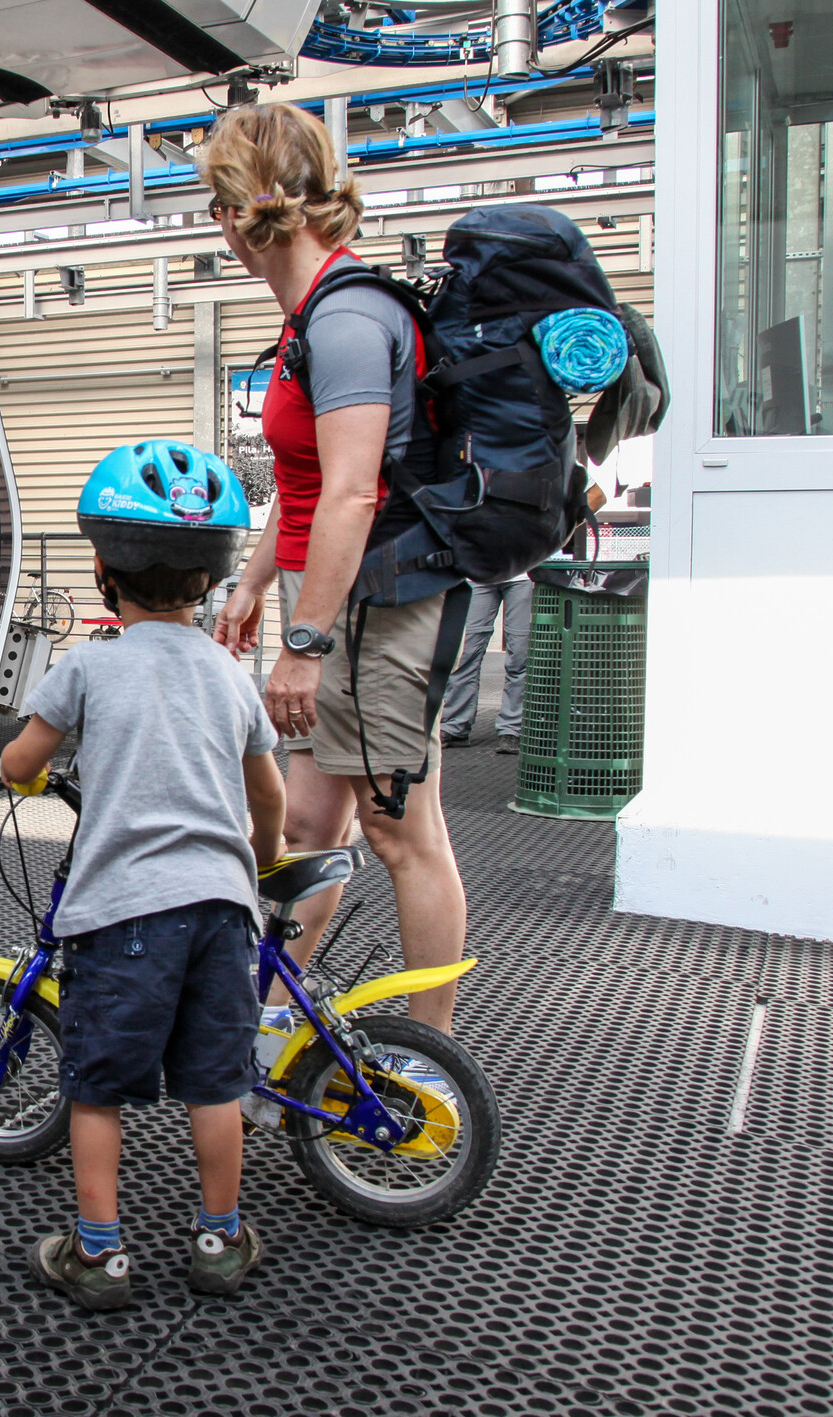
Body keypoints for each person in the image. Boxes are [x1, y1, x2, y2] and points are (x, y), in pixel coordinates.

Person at [0, 441, 286, 1313]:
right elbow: (266, 791)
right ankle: (219, 1239)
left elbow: (21, 762)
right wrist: (263, 857)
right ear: (210, 580)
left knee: (98, 1086)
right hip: (221, 913)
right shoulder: (230, 674)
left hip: (122, 914)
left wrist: (19, 768)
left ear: (100, 570)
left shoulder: (87, 665)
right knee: (216, 1083)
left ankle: (100, 1256)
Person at [206, 103, 469, 1035]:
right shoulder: (306, 318)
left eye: (215, 203)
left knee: (404, 835)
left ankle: (431, 1058)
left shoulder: (350, 316)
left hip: (383, 604)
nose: (216, 226)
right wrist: (255, 579)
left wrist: (304, 648)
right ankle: (270, 1026)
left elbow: (357, 495)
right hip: (333, 604)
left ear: (247, 207)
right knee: (309, 829)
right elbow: (309, 480)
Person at [440, 575, 534, 753]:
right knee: (463, 655)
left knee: (520, 658)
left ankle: (512, 729)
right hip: (478, 574)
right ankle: (454, 726)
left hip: (522, 574)